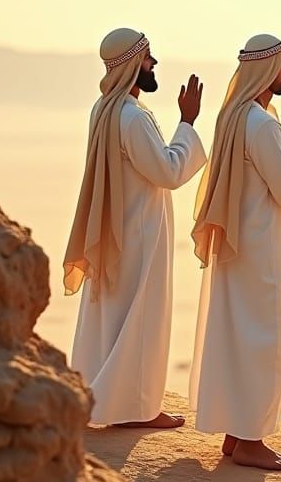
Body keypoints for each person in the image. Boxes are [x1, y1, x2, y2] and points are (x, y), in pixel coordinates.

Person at [189, 34, 281, 471]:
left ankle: (238, 435)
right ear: (267, 69)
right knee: (267, 343)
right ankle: (252, 440)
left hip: (239, 249)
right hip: (264, 252)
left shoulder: (233, 117)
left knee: (241, 339)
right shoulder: (261, 123)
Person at [64, 28, 206, 428]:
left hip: (112, 228)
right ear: (131, 64)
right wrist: (187, 122)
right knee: (142, 319)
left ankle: (102, 399)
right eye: (147, 58)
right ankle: (137, 409)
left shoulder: (104, 108)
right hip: (140, 233)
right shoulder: (133, 116)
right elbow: (168, 171)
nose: (153, 63)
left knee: (111, 317)